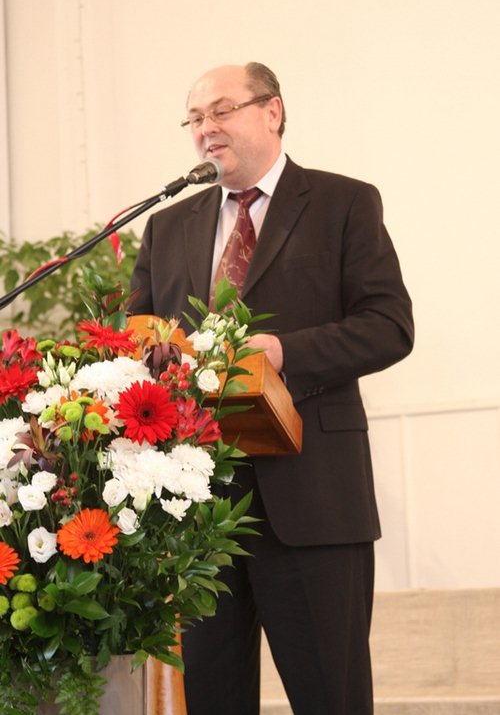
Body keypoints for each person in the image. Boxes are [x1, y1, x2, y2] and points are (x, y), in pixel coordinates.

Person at [130, 62, 414, 715]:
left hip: (313, 495)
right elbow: (138, 339)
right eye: (194, 118)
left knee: (330, 697)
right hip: (200, 512)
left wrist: (285, 352)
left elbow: (389, 326)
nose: (206, 128)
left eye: (221, 110)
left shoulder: (343, 203)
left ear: (273, 111)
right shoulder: (167, 227)